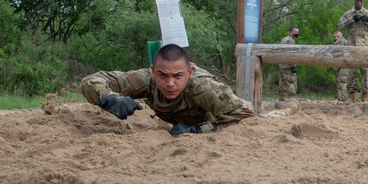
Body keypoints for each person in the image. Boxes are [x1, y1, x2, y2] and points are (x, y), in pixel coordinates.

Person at [80, 44, 296, 136]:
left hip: (216, 119)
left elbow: (246, 116)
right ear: (153, 71)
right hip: (177, 123)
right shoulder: (144, 80)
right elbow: (90, 80)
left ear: (190, 71)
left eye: (178, 76)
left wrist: (197, 132)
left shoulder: (203, 88)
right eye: (163, 76)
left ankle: (291, 108)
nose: (170, 83)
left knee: (266, 119)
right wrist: (110, 98)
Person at [337, 0, 368, 102]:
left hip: (364, 47)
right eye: (358, 1)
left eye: (361, 1)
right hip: (352, 46)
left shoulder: (367, 13)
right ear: (354, 0)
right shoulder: (348, 14)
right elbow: (339, 26)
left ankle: (365, 96)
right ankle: (352, 96)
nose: (359, 3)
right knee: (352, 71)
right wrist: (352, 19)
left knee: (365, 71)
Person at [278, 25, 300, 101]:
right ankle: (292, 98)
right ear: (290, 32)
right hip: (288, 65)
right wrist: (293, 65)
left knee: (283, 82)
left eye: (297, 32)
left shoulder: (284, 39)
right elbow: (291, 54)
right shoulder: (290, 40)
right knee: (291, 82)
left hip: (282, 65)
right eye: (295, 32)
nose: (297, 34)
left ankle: (281, 97)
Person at [332, 30, 353, 102]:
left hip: (344, 66)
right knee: (340, 82)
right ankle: (340, 97)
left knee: (342, 82)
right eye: (335, 37)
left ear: (342, 37)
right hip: (341, 65)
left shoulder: (341, 42)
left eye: (338, 36)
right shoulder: (345, 42)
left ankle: (342, 98)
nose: (336, 38)